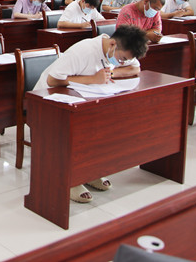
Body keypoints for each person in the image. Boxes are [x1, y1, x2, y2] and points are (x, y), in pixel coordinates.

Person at [34, 25, 148, 203]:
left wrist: (112, 73)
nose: (122, 62)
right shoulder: (84, 51)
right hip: (47, 99)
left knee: (101, 124)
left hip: (80, 95)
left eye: (125, 60)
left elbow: (135, 69)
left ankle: (90, 172)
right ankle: (71, 180)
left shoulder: (117, 51)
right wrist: (93, 79)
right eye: (122, 59)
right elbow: (52, 80)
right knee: (78, 128)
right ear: (112, 44)